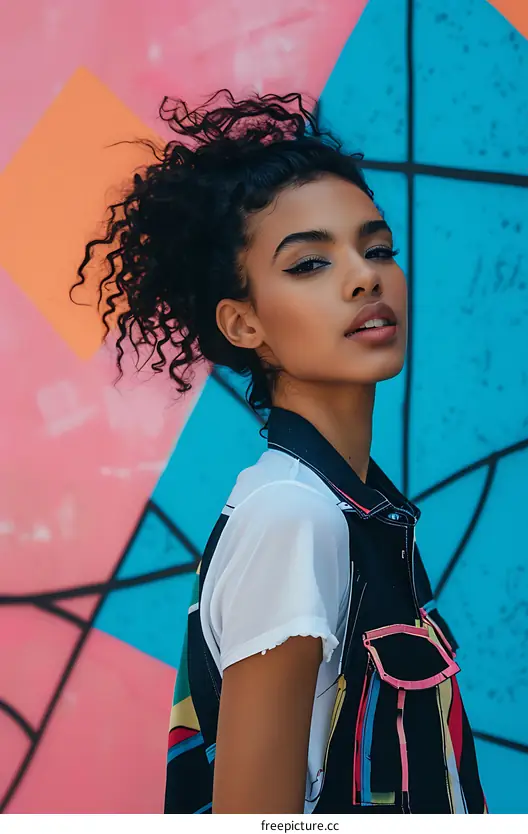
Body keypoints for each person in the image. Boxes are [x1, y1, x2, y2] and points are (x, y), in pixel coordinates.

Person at [74, 90, 488, 814]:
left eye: (378, 248)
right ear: (241, 323)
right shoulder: (294, 517)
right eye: (308, 266)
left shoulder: (357, 515)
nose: (365, 277)